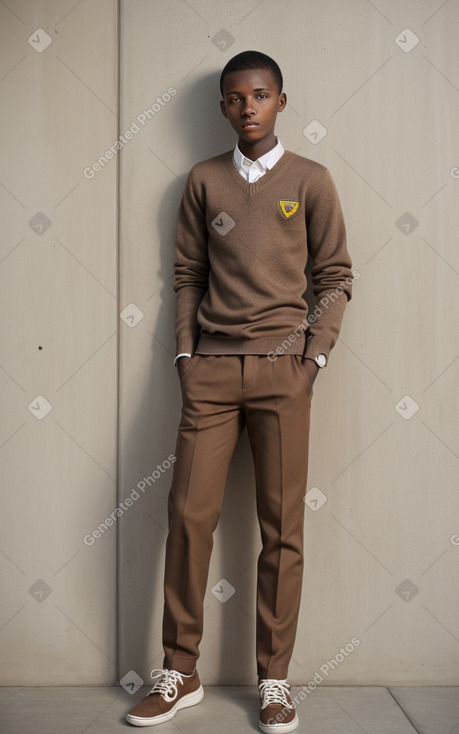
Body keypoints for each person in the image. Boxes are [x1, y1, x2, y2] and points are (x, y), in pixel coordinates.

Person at [127, 50, 353, 733]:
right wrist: (185, 354)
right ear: (222, 108)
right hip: (212, 372)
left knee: (281, 530)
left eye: (258, 95)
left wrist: (311, 360)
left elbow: (335, 276)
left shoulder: (311, 181)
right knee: (189, 517)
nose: (246, 106)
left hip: (284, 373)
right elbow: (187, 273)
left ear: (280, 102)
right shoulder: (201, 181)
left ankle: (275, 681)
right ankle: (179, 670)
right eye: (233, 97)